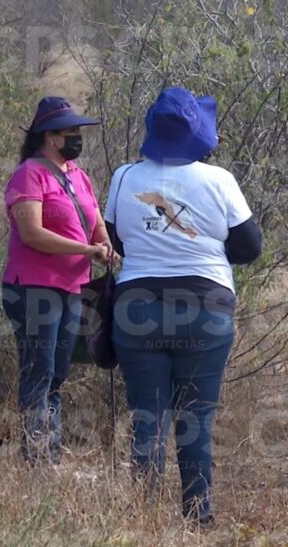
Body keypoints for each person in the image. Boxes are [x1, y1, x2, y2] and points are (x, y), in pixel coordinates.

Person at [105, 87, 263, 524]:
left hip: (137, 307)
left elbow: (117, 239)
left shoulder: (123, 177)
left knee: (147, 418)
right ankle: (198, 515)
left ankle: (144, 517)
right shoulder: (219, 181)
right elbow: (250, 247)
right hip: (205, 307)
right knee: (195, 420)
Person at [1, 96, 111, 465]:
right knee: (39, 369)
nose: (77, 138)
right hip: (34, 287)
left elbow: (95, 223)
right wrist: (85, 249)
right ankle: (36, 456)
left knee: (59, 371)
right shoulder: (29, 174)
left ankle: (50, 451)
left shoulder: (79, 176)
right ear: (50, 136)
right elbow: (32, 232)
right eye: (71, 132)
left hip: (71, 287)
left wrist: (104, 244)